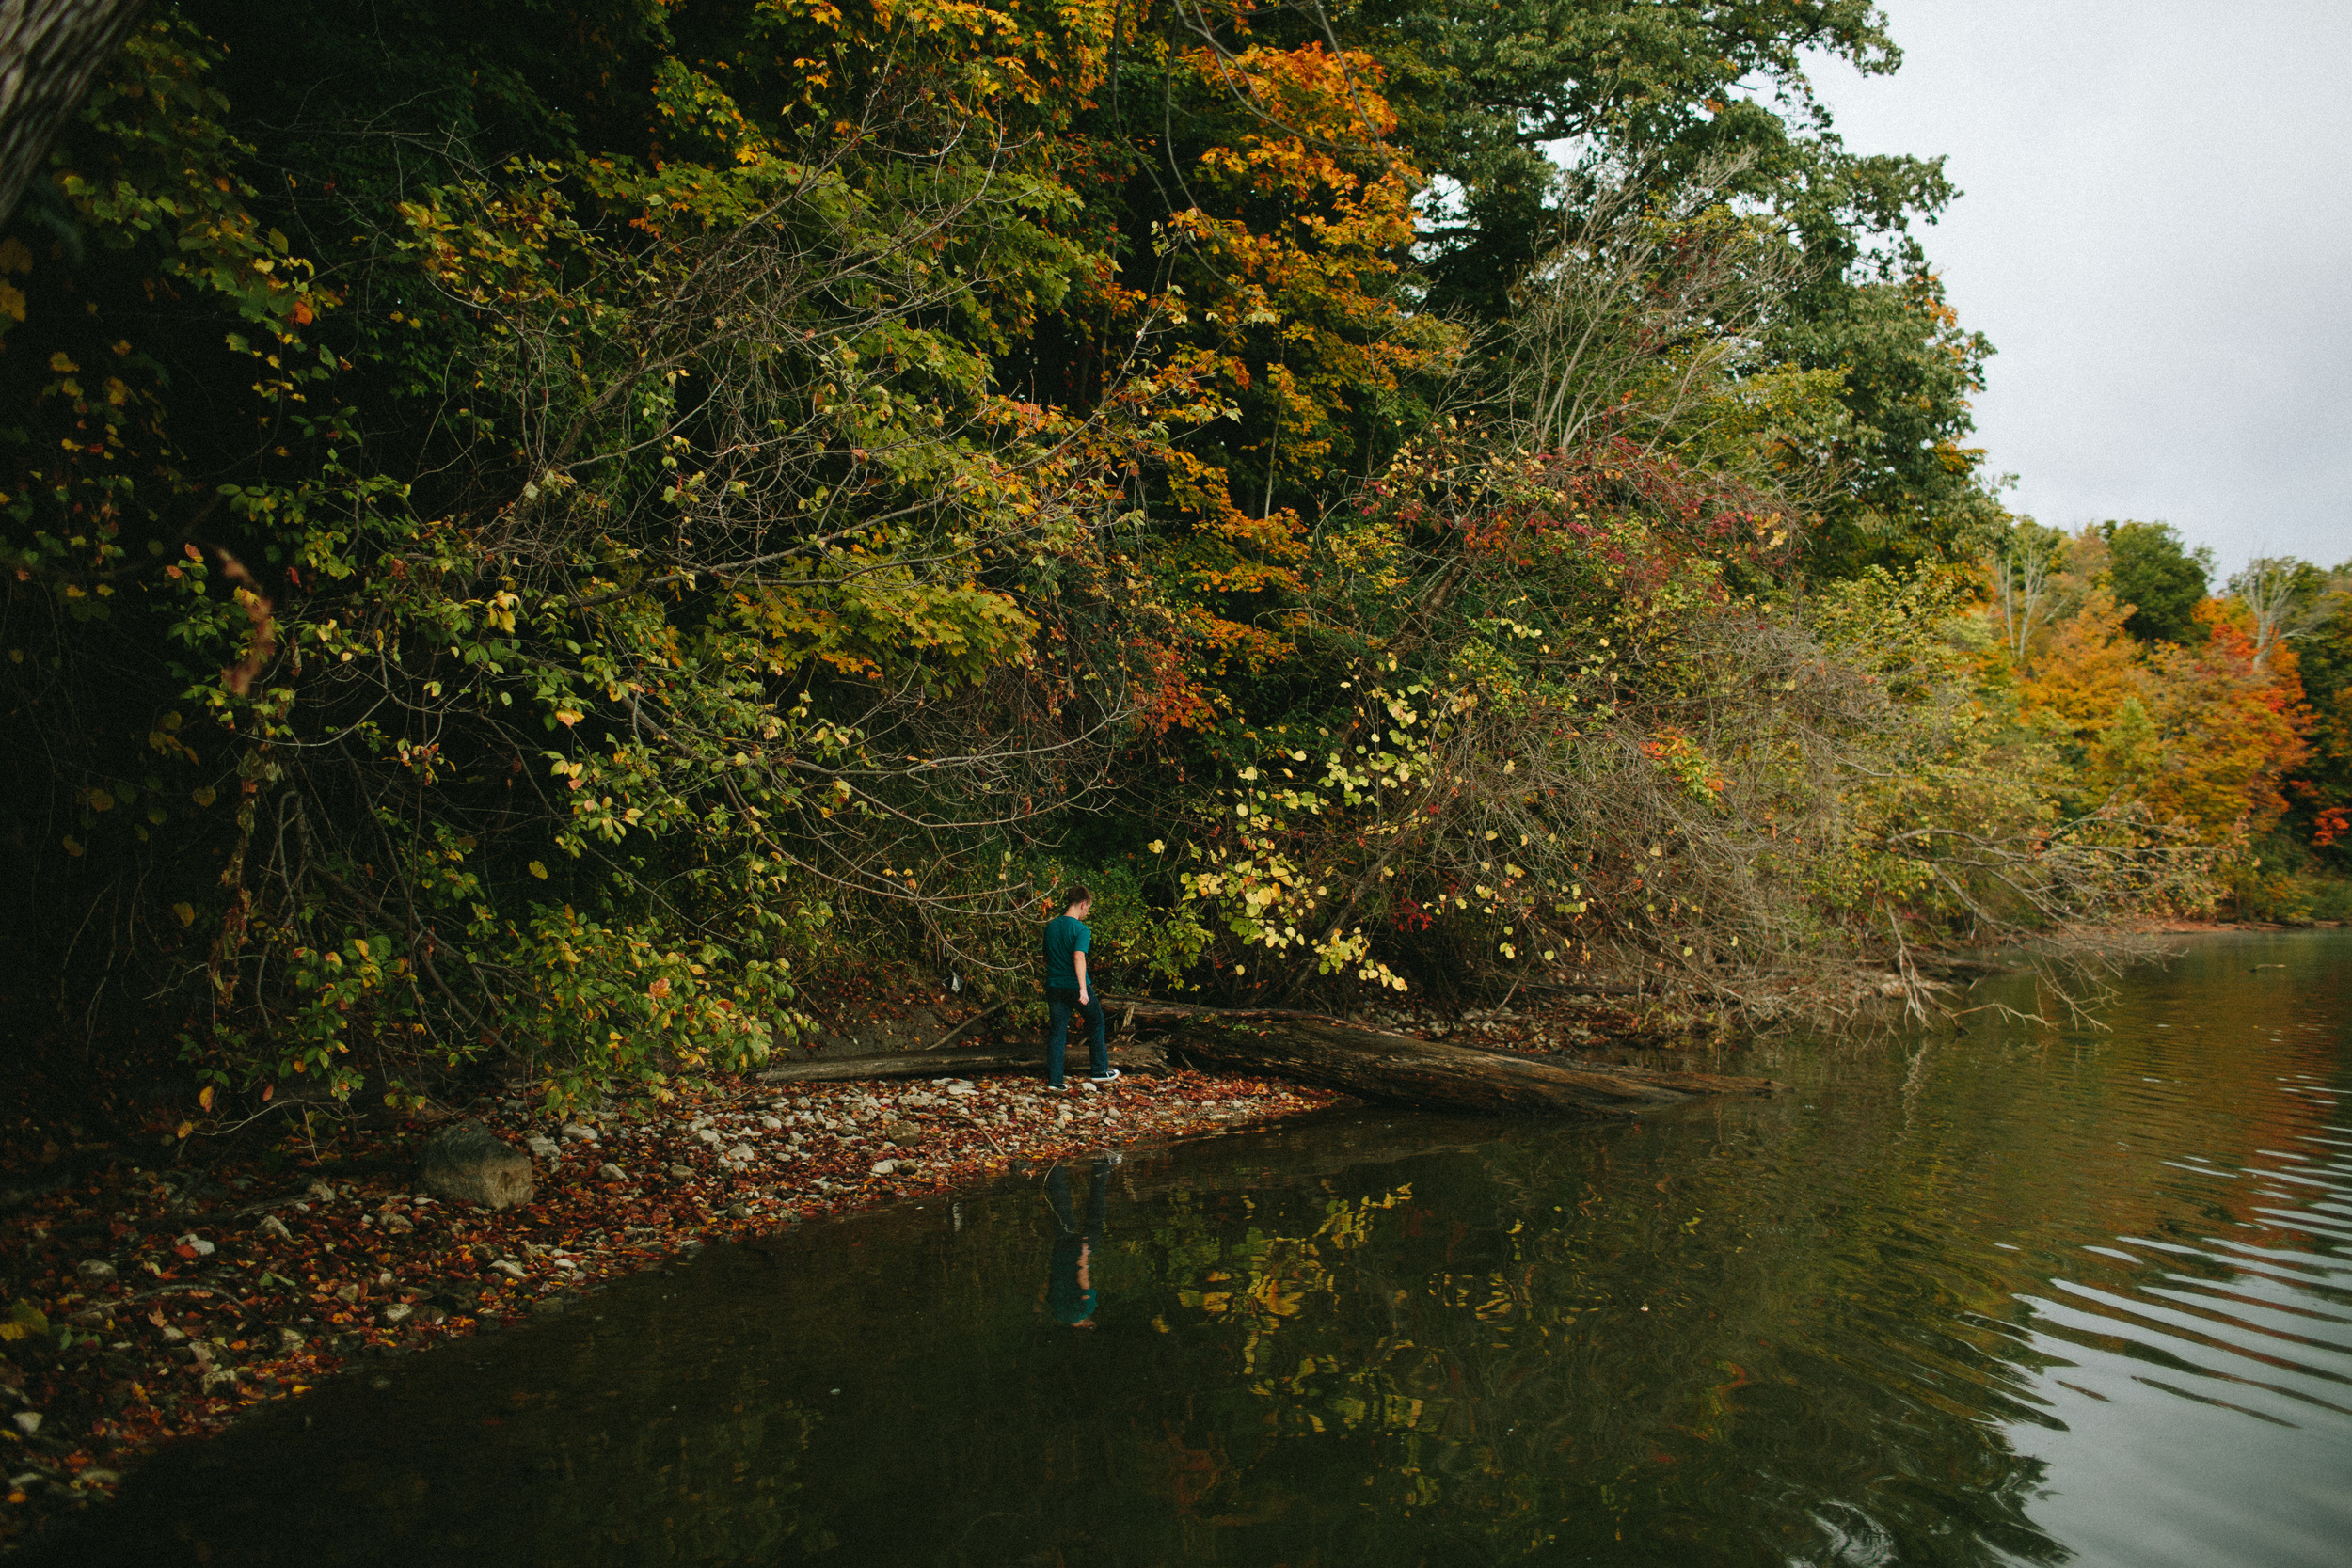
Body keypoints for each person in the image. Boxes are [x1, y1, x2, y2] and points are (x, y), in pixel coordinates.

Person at [1042, 884, 1118, 1089]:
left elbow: (1046, 957)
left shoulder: (1051, 926)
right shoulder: (1081, 929)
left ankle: (1055, 1081)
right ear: (1083, 904)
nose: (1087, 912)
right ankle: (1099, 1070)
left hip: (1054, 985)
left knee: (1058, 1031)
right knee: (1096, 1021)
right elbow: (1078, 956)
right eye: (1088, 908)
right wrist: (1083, 989)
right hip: (1075, 985)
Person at [1044, 1156, 1117, 1328]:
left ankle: (1102, 1165)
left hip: (1077, 1255)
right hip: (1060, 1254)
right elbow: (1048, 1285)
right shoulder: (1058, 1313)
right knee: (1061, 1209)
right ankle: (1056, 1167)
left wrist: (1083, 1254)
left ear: (1087, 1326)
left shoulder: (1085, 1309)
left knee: (1096, 1215)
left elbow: (1083, 1279)